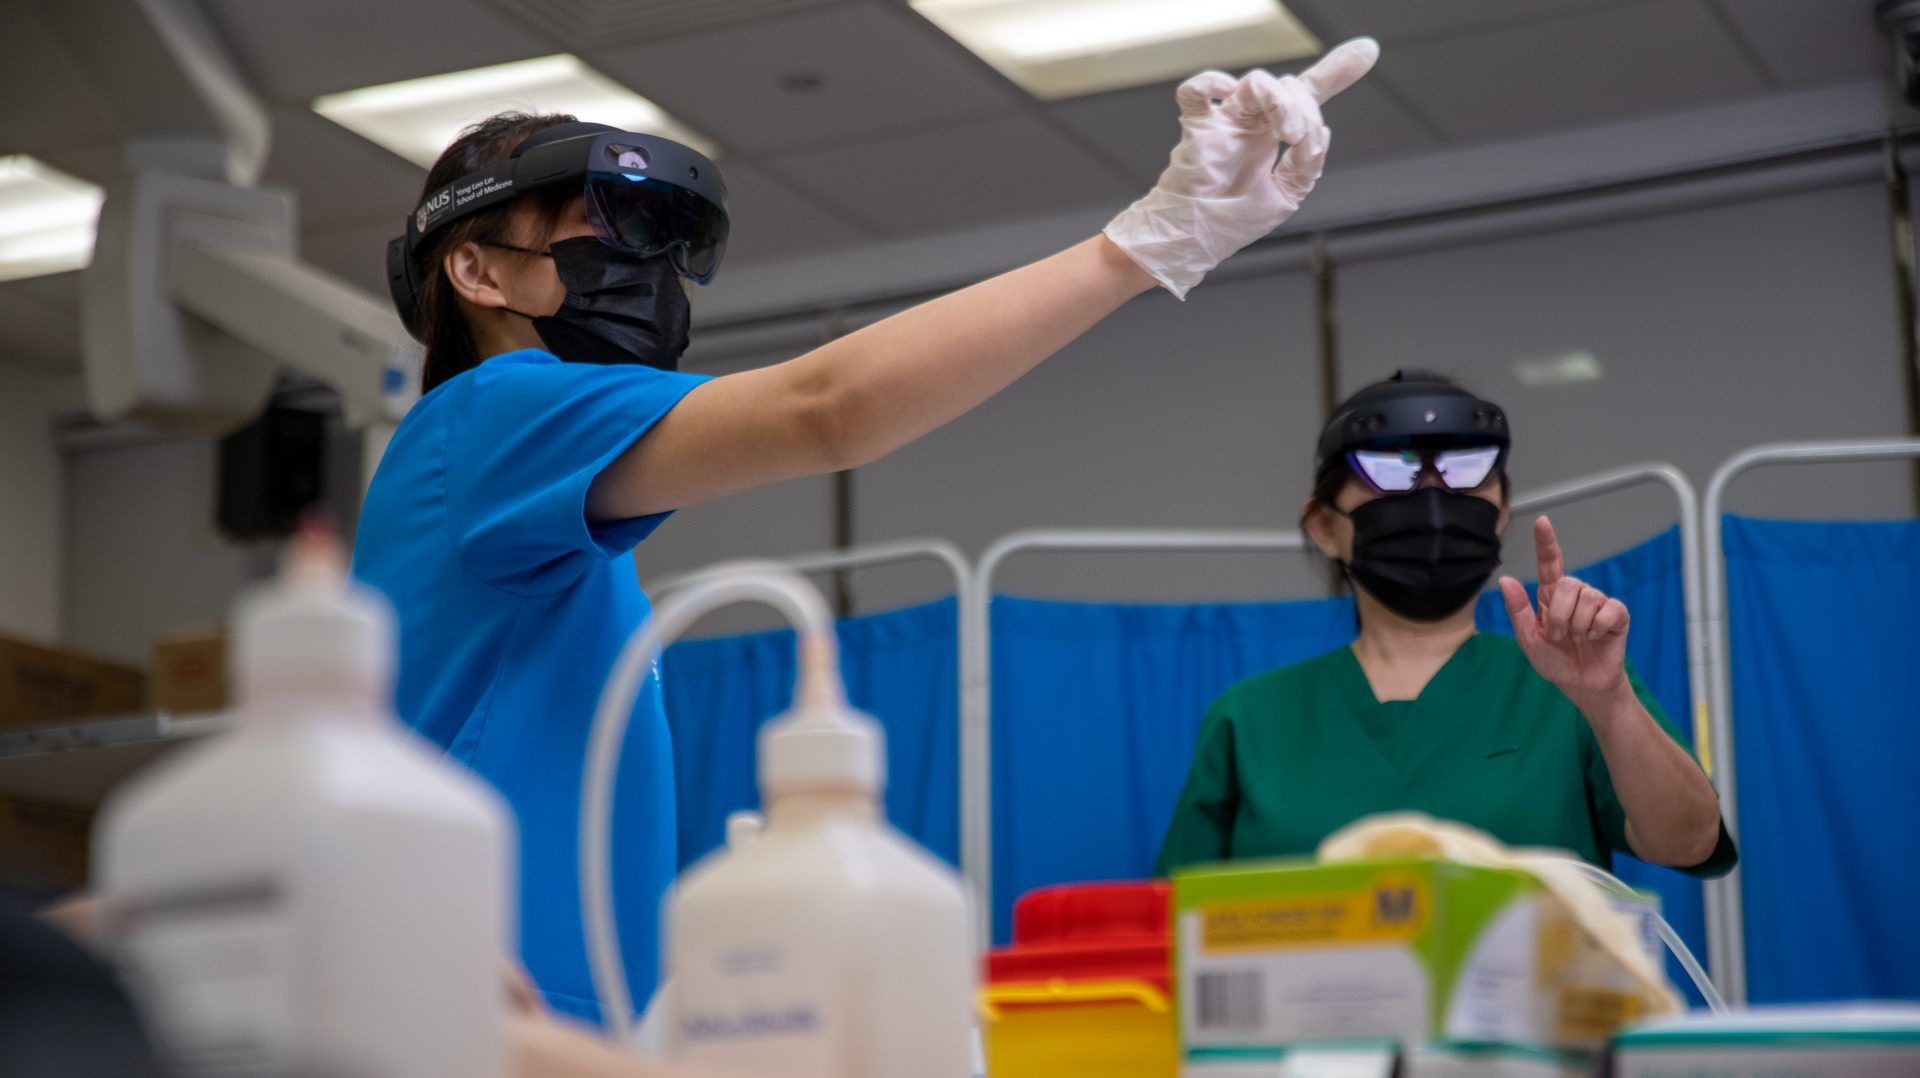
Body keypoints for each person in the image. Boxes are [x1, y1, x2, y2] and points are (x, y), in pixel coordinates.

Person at [352, 40, 1382, 1023]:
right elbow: (828, 408)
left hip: (535, 1016)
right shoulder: (492, 413)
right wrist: (1144, 243)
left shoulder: (520, 488)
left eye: (667, 239)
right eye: (606, 227)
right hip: (474, 1019)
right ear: (478, 273)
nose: (650, 265)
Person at [1156, 371, 1736, 879]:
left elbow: (1688, 841)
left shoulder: (1569, 689)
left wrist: (1609, 701)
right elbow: (1174, 930)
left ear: (1501, 512)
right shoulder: (1251, 719)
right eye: (1392, 470)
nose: (1432, 493)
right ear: (1324, 526)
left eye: (1464, 469)